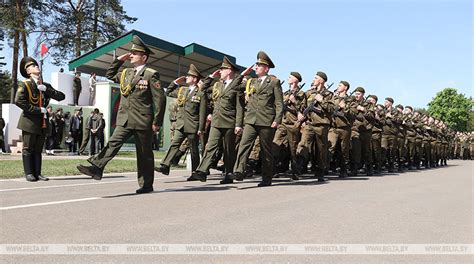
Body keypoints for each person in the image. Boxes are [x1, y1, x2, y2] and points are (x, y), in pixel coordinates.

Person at [77, 35, 166, 194]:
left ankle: (146, 184)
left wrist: (157, 122)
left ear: (144, 57)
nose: (131, 55)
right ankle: (97, 168)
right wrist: (118, 60)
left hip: (142, 120)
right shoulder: (126, 73)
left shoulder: (151, 75)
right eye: (131, 53)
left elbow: (160, 99)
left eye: (135, 53)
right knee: (113, 143)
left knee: (144, 154)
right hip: (124, 118)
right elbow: (110, 75)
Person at [230, 51, 284, 187]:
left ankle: (267, 178)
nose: (255, 68)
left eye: (258, 66)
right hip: (251, 120)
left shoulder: (273, 82)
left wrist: (277, 120)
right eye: (255, 65)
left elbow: (279, 103)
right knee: (244, 145)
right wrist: (242, 73)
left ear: (266, 68)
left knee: (266, 150)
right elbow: (234, 87)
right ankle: (239, 171)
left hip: (266, 120)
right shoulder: (250, 81)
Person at [189, 56, 244, 183]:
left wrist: (238, 124)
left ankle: (228, 174)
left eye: (223, 69)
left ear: (229, 71)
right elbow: (202, 88)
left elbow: (239, 107)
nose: (220, 71)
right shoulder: (217, 85)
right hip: (216, 121)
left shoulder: (237, 86)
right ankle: (202, 171)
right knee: (211, 146)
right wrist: (211, 77)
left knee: (228, 150)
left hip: (230, 122)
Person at [155, 64, 211, 177]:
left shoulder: (200, 94)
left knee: (194, 150)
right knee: (174, 144)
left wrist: (201, 128)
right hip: (180, 124)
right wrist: (175, 82)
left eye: (189, 76)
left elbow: (202, 113)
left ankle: (195, 172)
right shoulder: (182, 90)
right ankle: (165, 166)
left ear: (195, 79)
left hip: (192, 125)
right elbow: (168, 92)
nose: (187, 77)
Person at [15, 56, 65, 181]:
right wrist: (37, 110)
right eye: (32, 66)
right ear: (28, 71)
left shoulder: (44, 85)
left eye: (36, 65)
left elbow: (61, 96)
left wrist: (47, 90)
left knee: (38, 149)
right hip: (29, 121)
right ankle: (29, 173)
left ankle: (38, 173)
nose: (36, 66)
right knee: (28, 148)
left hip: (42, 123)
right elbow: (19, 101)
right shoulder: (25, 84)